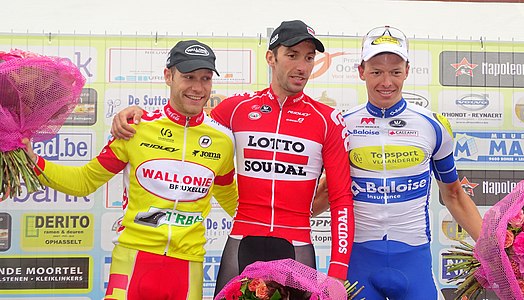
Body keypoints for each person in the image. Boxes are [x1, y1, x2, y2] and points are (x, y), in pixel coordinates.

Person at [110, 20, 355, 296]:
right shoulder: (236, 108)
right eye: (292, 55)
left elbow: (341, 198)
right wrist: (137, 116)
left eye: (309, 58)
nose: (302, 66)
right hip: (241, 244)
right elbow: (186, 126)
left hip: (296, 247)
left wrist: (337, 273)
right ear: (271, 58)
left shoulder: (327, 120)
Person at [23, 40, 238, 300]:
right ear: (168, 76)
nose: (197, 87)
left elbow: (235, 203)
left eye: (205, 78)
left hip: (187, 267)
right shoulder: (135, 128)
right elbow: (84, 182)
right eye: (188, 76)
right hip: (133, 259)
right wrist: (33, 161)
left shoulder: (222, 141)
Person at [314, 26, 483, 299]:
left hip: (413, 260)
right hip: (358, 260)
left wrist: (495, 250)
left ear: (407, 71)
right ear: (361, 72)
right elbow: (325, 192)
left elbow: (454, 195)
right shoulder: (342, 125)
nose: (386, 82)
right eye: (376, 71)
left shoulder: (433, 125)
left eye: (394, 72)